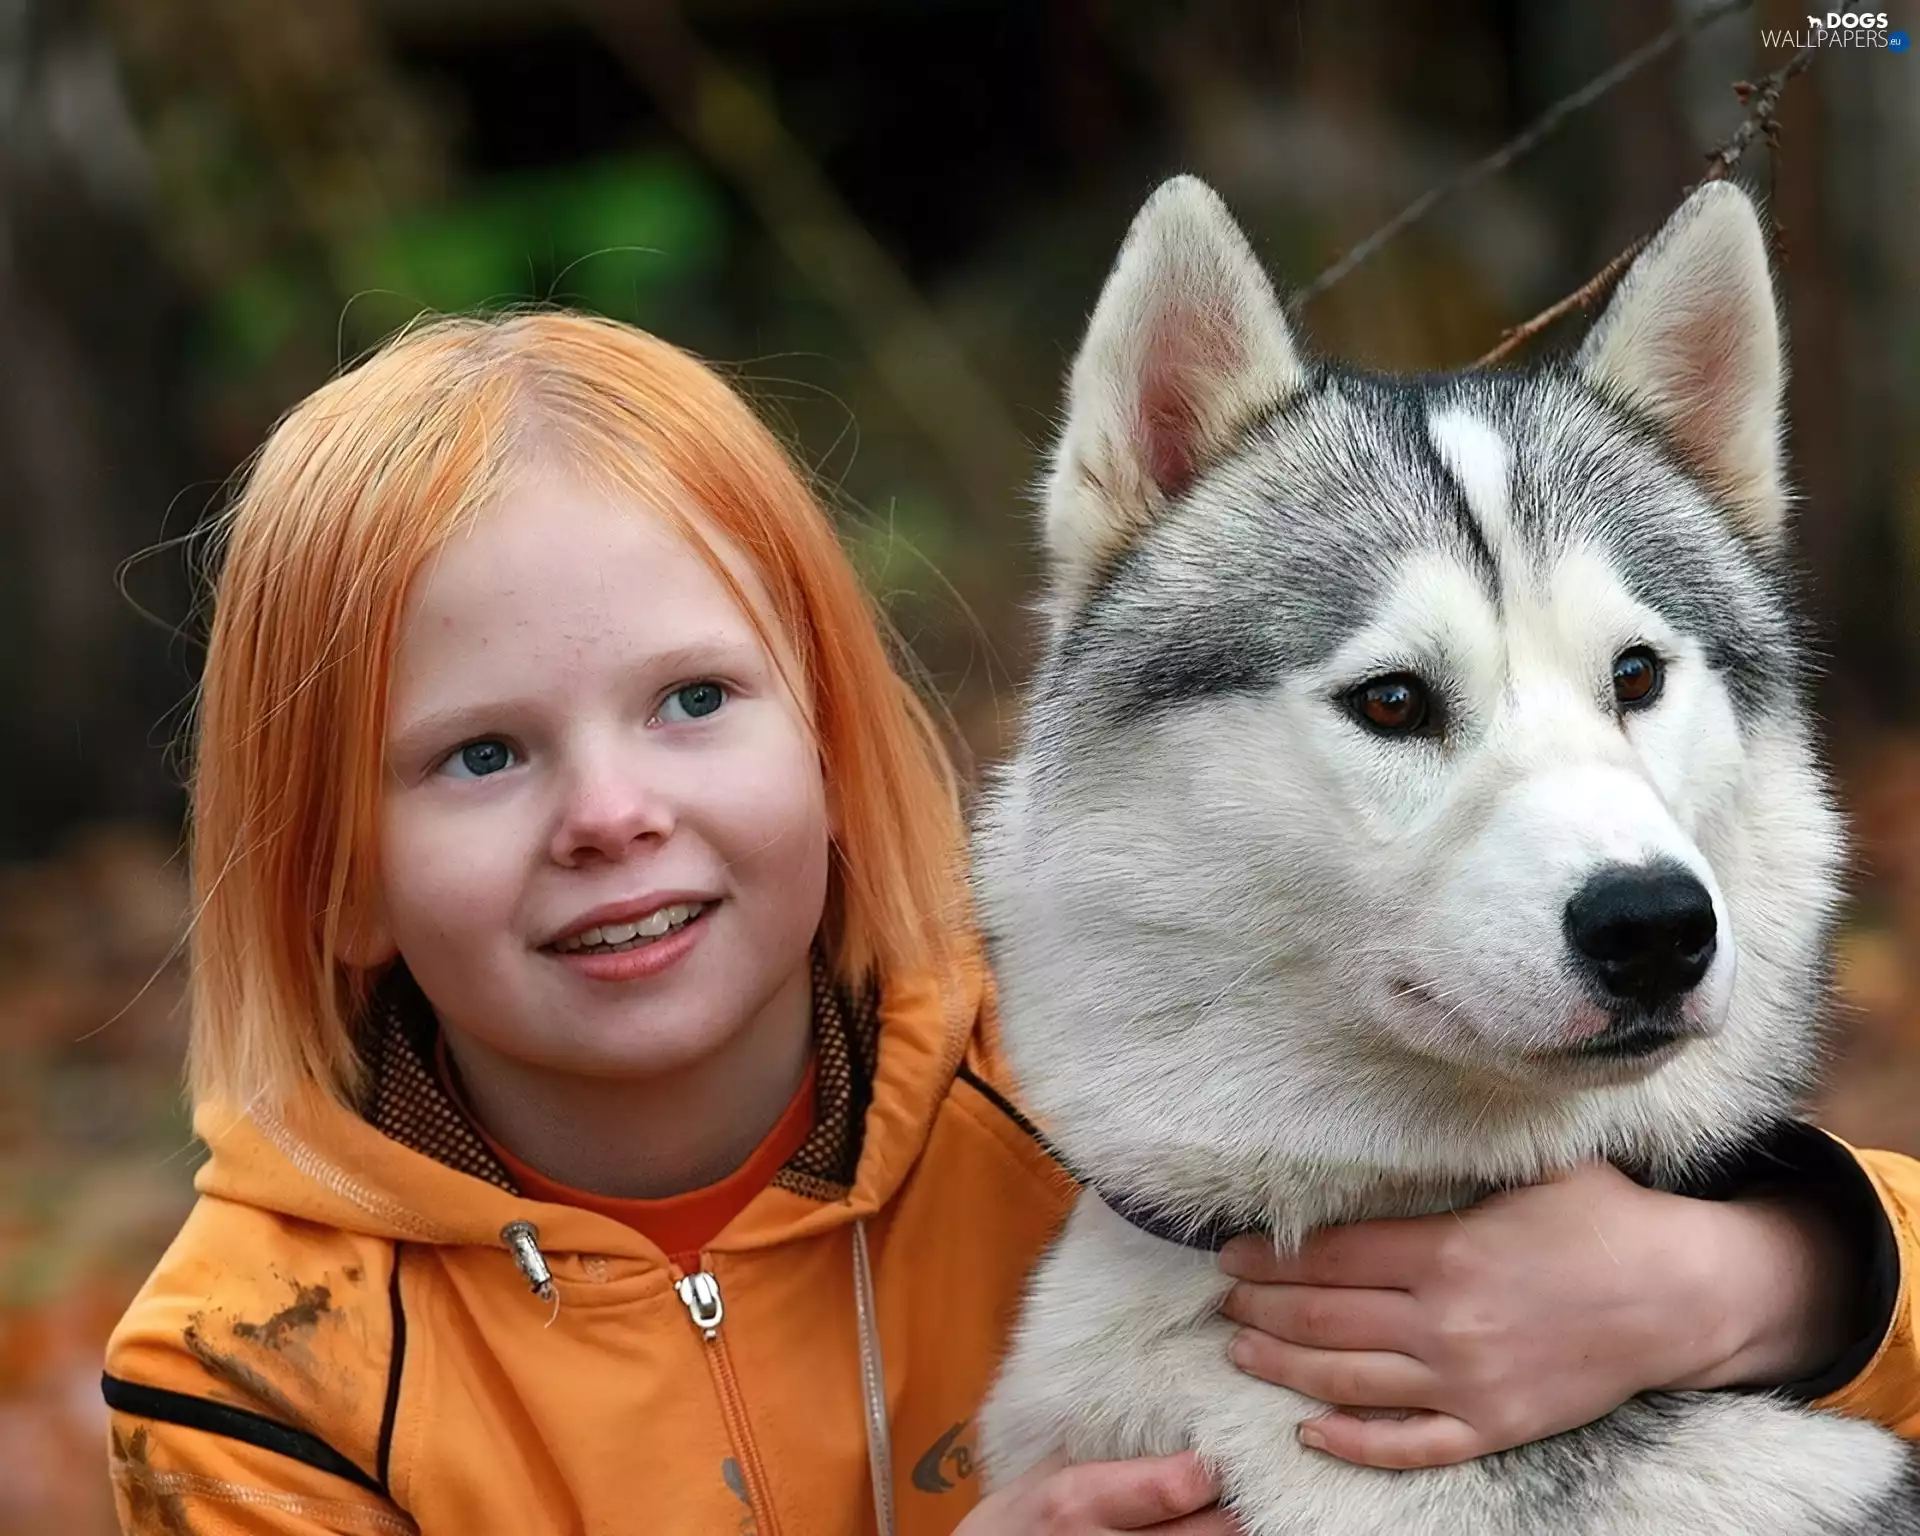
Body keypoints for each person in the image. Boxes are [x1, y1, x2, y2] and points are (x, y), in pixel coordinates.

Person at [103, 311, 1918, 1536]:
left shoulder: (1085, 1081)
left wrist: (1746, 1278)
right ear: (325, 865)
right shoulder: (254, 1368)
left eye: (693, 704)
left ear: (830, 736)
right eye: (481, 753)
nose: (611, 815)